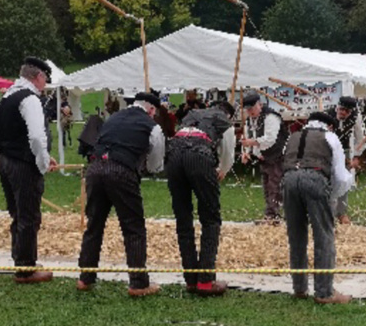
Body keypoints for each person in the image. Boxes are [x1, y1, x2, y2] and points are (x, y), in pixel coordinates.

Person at [77, 91, 165, 296]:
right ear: (151, 109)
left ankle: (85, 278)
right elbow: (156, 162)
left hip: (96, 168)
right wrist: (147, 169)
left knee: (94, 225)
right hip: (121, 171)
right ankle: (138, 283)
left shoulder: (112, 118)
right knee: (133, 227)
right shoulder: (152, 126)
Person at [0, 57, 58, 285]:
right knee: (29, 216)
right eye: (45, 79)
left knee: (17, 214)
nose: (45, 84)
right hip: (23, 163)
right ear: (38, 77)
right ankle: (26, 268)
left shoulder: (8, 95)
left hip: (6, 160)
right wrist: (42, 163)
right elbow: (36, 137)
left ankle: (21, 259)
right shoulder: (29, 98)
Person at [165, 100, 237, 296]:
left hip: (174, 154)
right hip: (199, 155)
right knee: (210, 218)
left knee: (183, 219)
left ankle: (190, 279)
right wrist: (223, 169)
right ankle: (205, 281)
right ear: (228, 114)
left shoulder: (192, 114)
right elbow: (229, 149)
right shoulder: (224, 120)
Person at [281, 111, 353, 304]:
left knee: (296, 236)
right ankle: (324, 292)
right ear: (328, 125)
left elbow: (285, 162)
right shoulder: (330, 137)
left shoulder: (293, 137)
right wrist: (334, 197)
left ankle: (299, 288)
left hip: (288, 180)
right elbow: (340, 176)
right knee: (324, 236)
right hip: (315, 180)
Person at [240, 91, 289, 224]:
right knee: (267, 186)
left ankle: (273, 214)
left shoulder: (271, 117)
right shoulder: (250, 120)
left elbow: (270, 139)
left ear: (259, 105)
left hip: (277, 155)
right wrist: (246, 151)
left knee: (275, 185)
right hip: (264, 157)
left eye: (252, 108)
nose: (250, 112)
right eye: (247, 109)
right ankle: (271, 214)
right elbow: (247, 137)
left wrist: (252, 143)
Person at [327, 96, 364, 224]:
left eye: (347, 111)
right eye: (341, 109)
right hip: (327, 151)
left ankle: (341, 213)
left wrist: (356, 157)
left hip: (344, 151)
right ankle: (327, 213)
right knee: (327, 182)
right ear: (337, 106)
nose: (343, 113)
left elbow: (360, 138)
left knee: (343, 181)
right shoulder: (327, 115)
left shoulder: (356, 117)